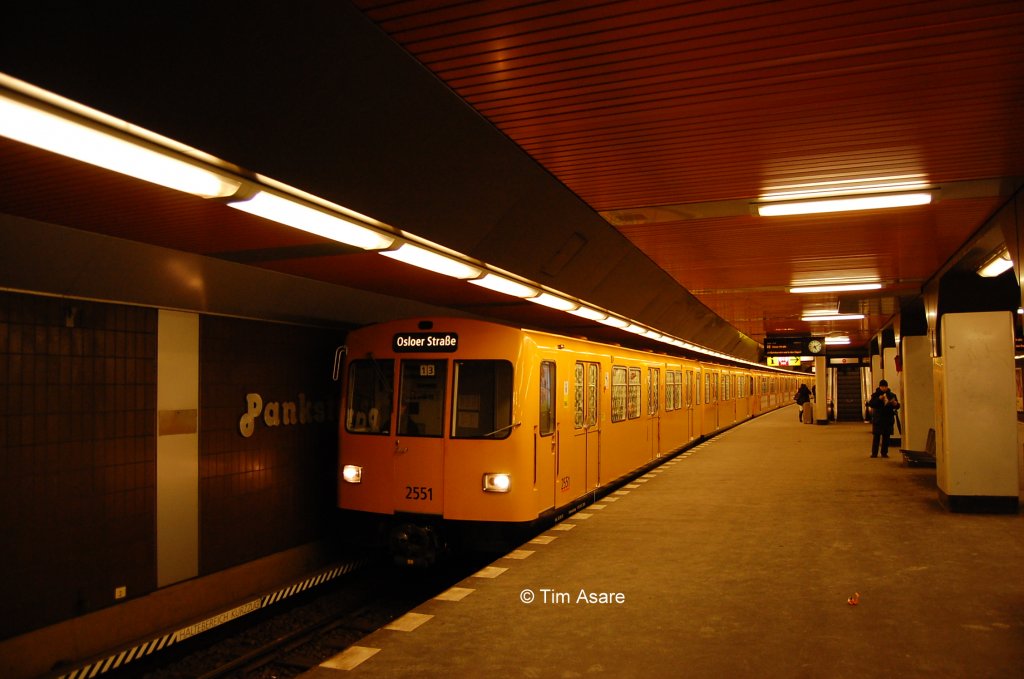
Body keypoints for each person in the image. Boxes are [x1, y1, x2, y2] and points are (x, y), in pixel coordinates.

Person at [867, 379, 900, 458]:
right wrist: (879, 399)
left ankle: (884, 453)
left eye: (885, 386)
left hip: (888, 418)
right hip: (878, 419)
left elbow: (897, 406)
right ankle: (874, 453)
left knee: (886, 437)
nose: (884, 388)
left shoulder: (892, 395)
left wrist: (895, 404)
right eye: (882, 386)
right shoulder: (875, 395)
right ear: (880, 387)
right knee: (876, 436)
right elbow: (871, 404)